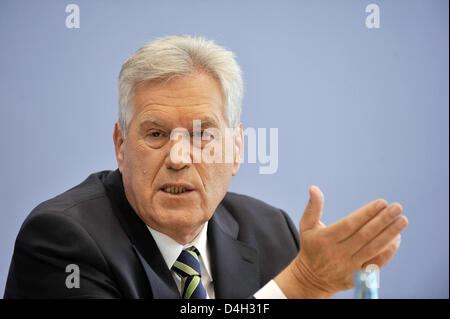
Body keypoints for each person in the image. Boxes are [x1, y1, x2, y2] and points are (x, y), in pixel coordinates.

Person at [4, 35, 408, 299]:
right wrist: (301, 285)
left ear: (235, 150)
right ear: (121, 146)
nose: (179, 158)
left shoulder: (273, 233)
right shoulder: (61, 240)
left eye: (202, 136)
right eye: (156, 134)